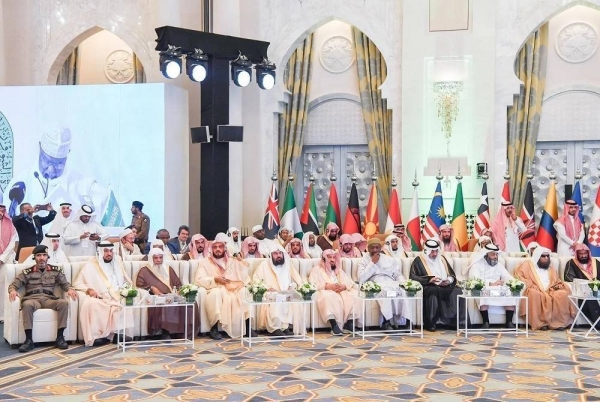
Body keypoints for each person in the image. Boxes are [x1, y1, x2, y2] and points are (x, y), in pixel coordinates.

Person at [5, 126, 124, 226]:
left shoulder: (85, 185)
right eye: (47, 161)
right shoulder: (19, 184)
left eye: (58, 164)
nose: (51, 169)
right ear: (40, 149)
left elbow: (112, 224)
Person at [8, 245, 78, 352]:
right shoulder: (27, 272)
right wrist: (12, 290)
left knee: (63, 303)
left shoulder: (55, 270)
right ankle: (29, 340)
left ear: (47, 257)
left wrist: (70, 289)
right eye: (39, 255)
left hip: (49, 299)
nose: (41, 258)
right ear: (34, 258)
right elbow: (14, 285)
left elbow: (65, 284)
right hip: (33, 299)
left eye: (44, 255)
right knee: (26, 305)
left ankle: (60, 338)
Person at [73, 241, 135, 346]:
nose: (109, 253)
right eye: (106, 251)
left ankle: (116, 334)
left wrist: (126, 290)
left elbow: (125, 281)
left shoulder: (117, 264)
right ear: (100, 252)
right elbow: (78, 283)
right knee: (92, 304)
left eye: (111, 251)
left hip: (117, 296)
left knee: (126, 301)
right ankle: (98, 336)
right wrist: (89, 290)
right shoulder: (90, 266)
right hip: (101, 297)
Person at [194, 233, 253, 340]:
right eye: (215, 247)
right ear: (211, 249)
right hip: (214, 288)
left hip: (232, 289)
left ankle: (248, 326)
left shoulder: (232, 260)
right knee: (217, 293)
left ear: (224, 249)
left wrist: (240, 261)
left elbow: (243, 275)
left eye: (220, 247)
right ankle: (214, 327)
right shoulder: (204, 262)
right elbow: (199, 279)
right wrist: (214, 279)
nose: (218, 249)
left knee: (244, 291)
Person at [136, 248, 199, 339]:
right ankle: (166, 332)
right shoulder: (145, 270)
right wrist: (152, 288)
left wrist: (179, 291)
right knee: (165, 301)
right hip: (158, 297)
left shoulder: (169, 269)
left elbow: (178, 284)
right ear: (151, 259)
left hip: (173, 295)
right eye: (156, 258)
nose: (158, 260)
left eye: (160, 258)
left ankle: (183, 333)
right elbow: (139, 284)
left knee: (190, 302)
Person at [514, 246, 575, 330]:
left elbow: (556, 280)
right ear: (537, 256)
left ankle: (558, 323)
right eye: (543, 256)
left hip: (551, 289)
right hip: (536, 289)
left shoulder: (551, 268)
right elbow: (519, 276)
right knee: (533, 293)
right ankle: (541, 323)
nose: (546, 258)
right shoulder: (527, 265)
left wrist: (558, 285)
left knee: (562, 294)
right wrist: (531, 284)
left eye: (547, 256)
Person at [409, 239, 462, 331]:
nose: (434, 254)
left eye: (436, 251)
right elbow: (413, 277)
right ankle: (431, 323)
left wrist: (448, 281)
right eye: (432, 251)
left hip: (445, 285)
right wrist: (429, 280)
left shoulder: (442, 259)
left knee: (457, 291)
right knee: (433, 290)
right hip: (430, 286)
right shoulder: (418, 260)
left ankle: (453, 322)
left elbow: (451, 274)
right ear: (426, 250)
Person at [358, 238, 411, 330]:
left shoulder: (389, 259)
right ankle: (386, 322)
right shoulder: (363, 260)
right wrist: (372, 263)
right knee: (387, 292)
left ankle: (404, 322)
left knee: (401, 290)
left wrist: (404, 283)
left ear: (380, 248)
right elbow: (361, 278)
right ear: (368, 248)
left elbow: (397, 274)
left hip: (392, 283)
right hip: (376, 285)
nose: (375, 250)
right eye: (372, 248)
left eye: (377, 247)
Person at [253, 248, 304, 336]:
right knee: (276, 299)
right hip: (271, 292)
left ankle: (284, 326)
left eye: (280, 253)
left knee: (290, 298)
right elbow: (255, 279)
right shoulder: (264, 265)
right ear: (271, 255)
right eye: (275, 253)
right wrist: (267, 288)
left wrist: (292, 286)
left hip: (286, 292)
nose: (278, 255)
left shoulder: (288, 264)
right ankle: (275, 328)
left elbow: (298, 279)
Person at [309, 250, 359, 335]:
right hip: (326, 291)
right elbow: (312, 284)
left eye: (334, 257)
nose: (332, 260)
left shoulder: (338, 270)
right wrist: (326, 286)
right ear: (324, 259)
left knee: (355, 295)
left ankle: (349, 324)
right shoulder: (317, 269)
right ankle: (334, 325)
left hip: (341, 291)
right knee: (328, 297)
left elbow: (349, 282)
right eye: (329, 257)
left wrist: (344, 286)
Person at [467, 244, 515, 329]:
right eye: (492, 254)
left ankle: (509, 322)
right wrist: (490, 284)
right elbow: (474, 280)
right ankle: (486, 322)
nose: (495, 257)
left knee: (509, 292)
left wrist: (512, 283)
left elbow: (507, 277)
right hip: (486, 288)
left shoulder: (499, 265)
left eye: (496, 254)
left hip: (499, 289)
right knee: (483, 293)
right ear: (486, 255)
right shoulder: (477, 265)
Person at [563, 243, 600, 325]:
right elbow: (568, 277)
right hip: (583, 291)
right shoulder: (571, 263)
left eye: (585, 253)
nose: (583, 256)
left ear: (588, 253)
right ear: (577, 254)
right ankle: (598, 323)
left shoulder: (595, 262)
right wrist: (584, 283)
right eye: (581, 254)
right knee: (589, 299)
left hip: (597, 290)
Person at [0, 204, 18, 318]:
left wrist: (1, 259)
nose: (1, 213)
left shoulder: (10, 225)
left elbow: (12, 244)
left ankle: (2, 315)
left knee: (3, 287)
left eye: (2, 211)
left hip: (5, 260)